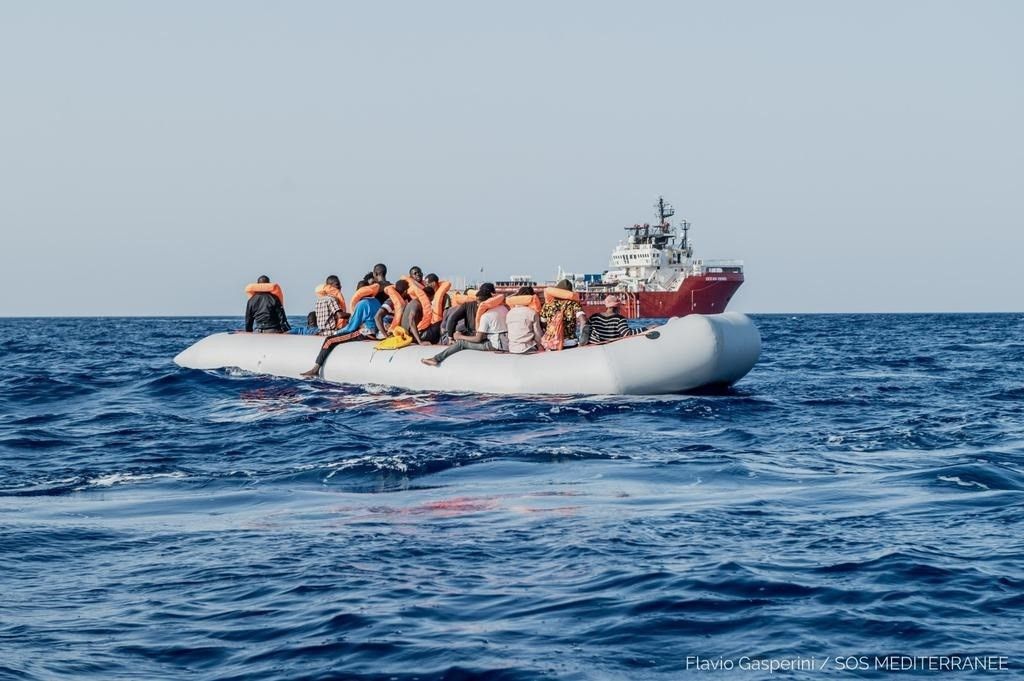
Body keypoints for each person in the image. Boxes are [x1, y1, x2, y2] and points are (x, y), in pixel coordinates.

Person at [299, 283, 382, 377]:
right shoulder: (376, 302)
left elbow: (352, 327)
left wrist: (337, 332)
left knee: (329, 340)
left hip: (364, 333)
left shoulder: (362, 304)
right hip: (374, 333)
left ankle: (315, 369)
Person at [422, 285, 507, 366]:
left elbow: (478, 338)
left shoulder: (486, 316)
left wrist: (458, 337)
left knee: (461, 343)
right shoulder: (503, 309)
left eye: (478, 303)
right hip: (506, 343)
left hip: (493, 344)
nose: (477, 305)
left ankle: (436, 359)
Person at [540, 279, 586, 347]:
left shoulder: (547, 305)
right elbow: (583, 321)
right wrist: (581, 340)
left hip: (553, 343)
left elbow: (542, 323)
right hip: (570, 343)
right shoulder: (573, 304)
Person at [506, 286, 543, 354]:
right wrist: (540, 346)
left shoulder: (509, 313)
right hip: (528, 348)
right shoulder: (532, 313)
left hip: (512, 348)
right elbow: (538, 334)